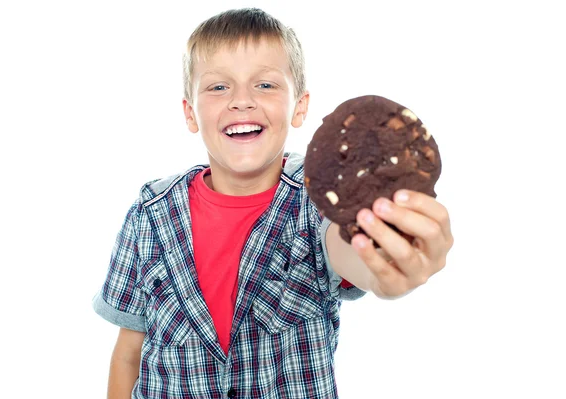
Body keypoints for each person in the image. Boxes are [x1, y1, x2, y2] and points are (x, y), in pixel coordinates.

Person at [92, 7, 453, 399]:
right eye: (218, 87)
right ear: (190, 113)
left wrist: (385, 266)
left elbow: (346, 247)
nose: (241, 101)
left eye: (265, 85)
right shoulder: (150, 215)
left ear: (299, 106)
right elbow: (129, 353)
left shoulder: (315, 202)